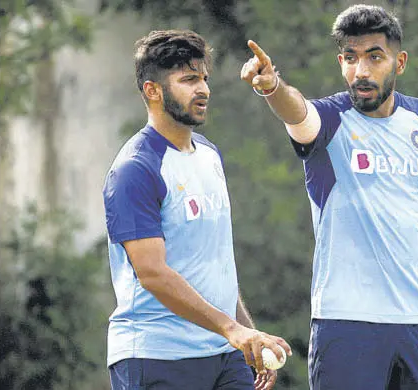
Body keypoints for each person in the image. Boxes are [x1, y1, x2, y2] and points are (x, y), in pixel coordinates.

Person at [241, 5, 418, 390]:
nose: (360, 71)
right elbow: (296, 111)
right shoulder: (329, 122)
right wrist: (271, 87)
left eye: (374, 57)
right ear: (340, 62)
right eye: (350, 58)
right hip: (346, 325)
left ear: (399, 62)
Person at [103, 29, 291, 390]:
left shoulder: (208, 155)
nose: (203, 89)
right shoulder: (135, 169)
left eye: (203, 78)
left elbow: (214, 261)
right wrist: (232, 329)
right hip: (156, 357)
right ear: (152, 91)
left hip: (223, 354)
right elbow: (152, 273)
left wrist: (245, 333)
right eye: (189, 80)